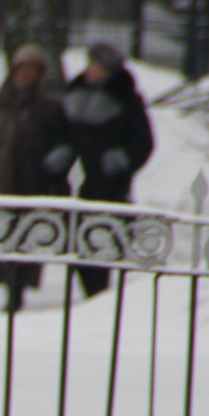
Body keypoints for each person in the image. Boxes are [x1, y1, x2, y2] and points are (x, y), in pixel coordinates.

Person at [0, 43, 69, 311]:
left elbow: (62, 144)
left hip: (31, 184)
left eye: (32, 69)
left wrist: (56, 165)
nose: (26, 74)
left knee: (24, 239)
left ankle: (17, 291)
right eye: (22, 68)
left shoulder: (49, 109)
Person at [48, 41, 153, 297]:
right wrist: (58, 153)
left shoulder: (127, 100)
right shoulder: (72, 94)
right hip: (70, 179)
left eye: (97, 66)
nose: (90, 70)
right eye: (90, 64)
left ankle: (98, 295)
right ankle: (89, 291)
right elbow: (57, 131)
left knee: (101, 241)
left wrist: (122, 159)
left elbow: (143, 142)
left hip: (107, 183)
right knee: (72, 240)